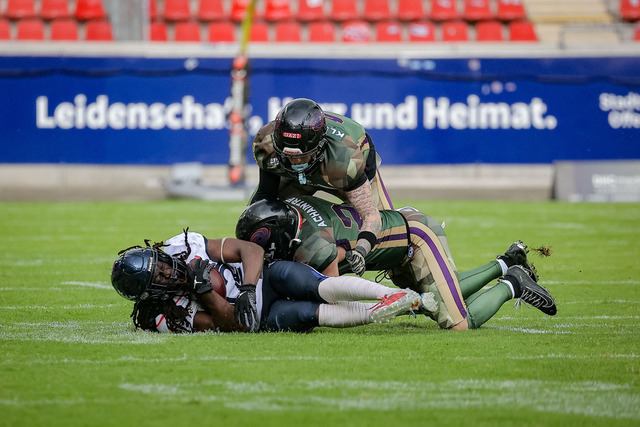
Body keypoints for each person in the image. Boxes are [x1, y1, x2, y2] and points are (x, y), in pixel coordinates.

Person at [235, 197, 557, 331]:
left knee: (459, 320)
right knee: (439, 297)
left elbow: (331, 294)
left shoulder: (314, 247)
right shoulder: (296, 206)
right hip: (397, 235)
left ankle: (511, 282)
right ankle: (507, 262)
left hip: (413, 239)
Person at [110, 229, 433, 334]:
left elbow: (250, 250)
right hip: (258, 318)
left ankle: (391, 294)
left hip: (264, 279)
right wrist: (206, 293)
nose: (168, 271)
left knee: (313, 285)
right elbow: (232, 324)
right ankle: (396, 307)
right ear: (150, 293)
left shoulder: (179, 246)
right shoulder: (161, 316)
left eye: (161, 265)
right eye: (159, 277)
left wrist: (249, 288)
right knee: (310, 313)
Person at [251, 98, 393, 278]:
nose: (295, 162)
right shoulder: (267, 143)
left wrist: (361, 250)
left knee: (389, 231)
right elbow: (265, 196)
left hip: (338, 168)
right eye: (288, 156)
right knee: (259, 218)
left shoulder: (344, 160)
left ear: (319, 146)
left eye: (302, 156)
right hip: (300, 173)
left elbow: (372, 217)